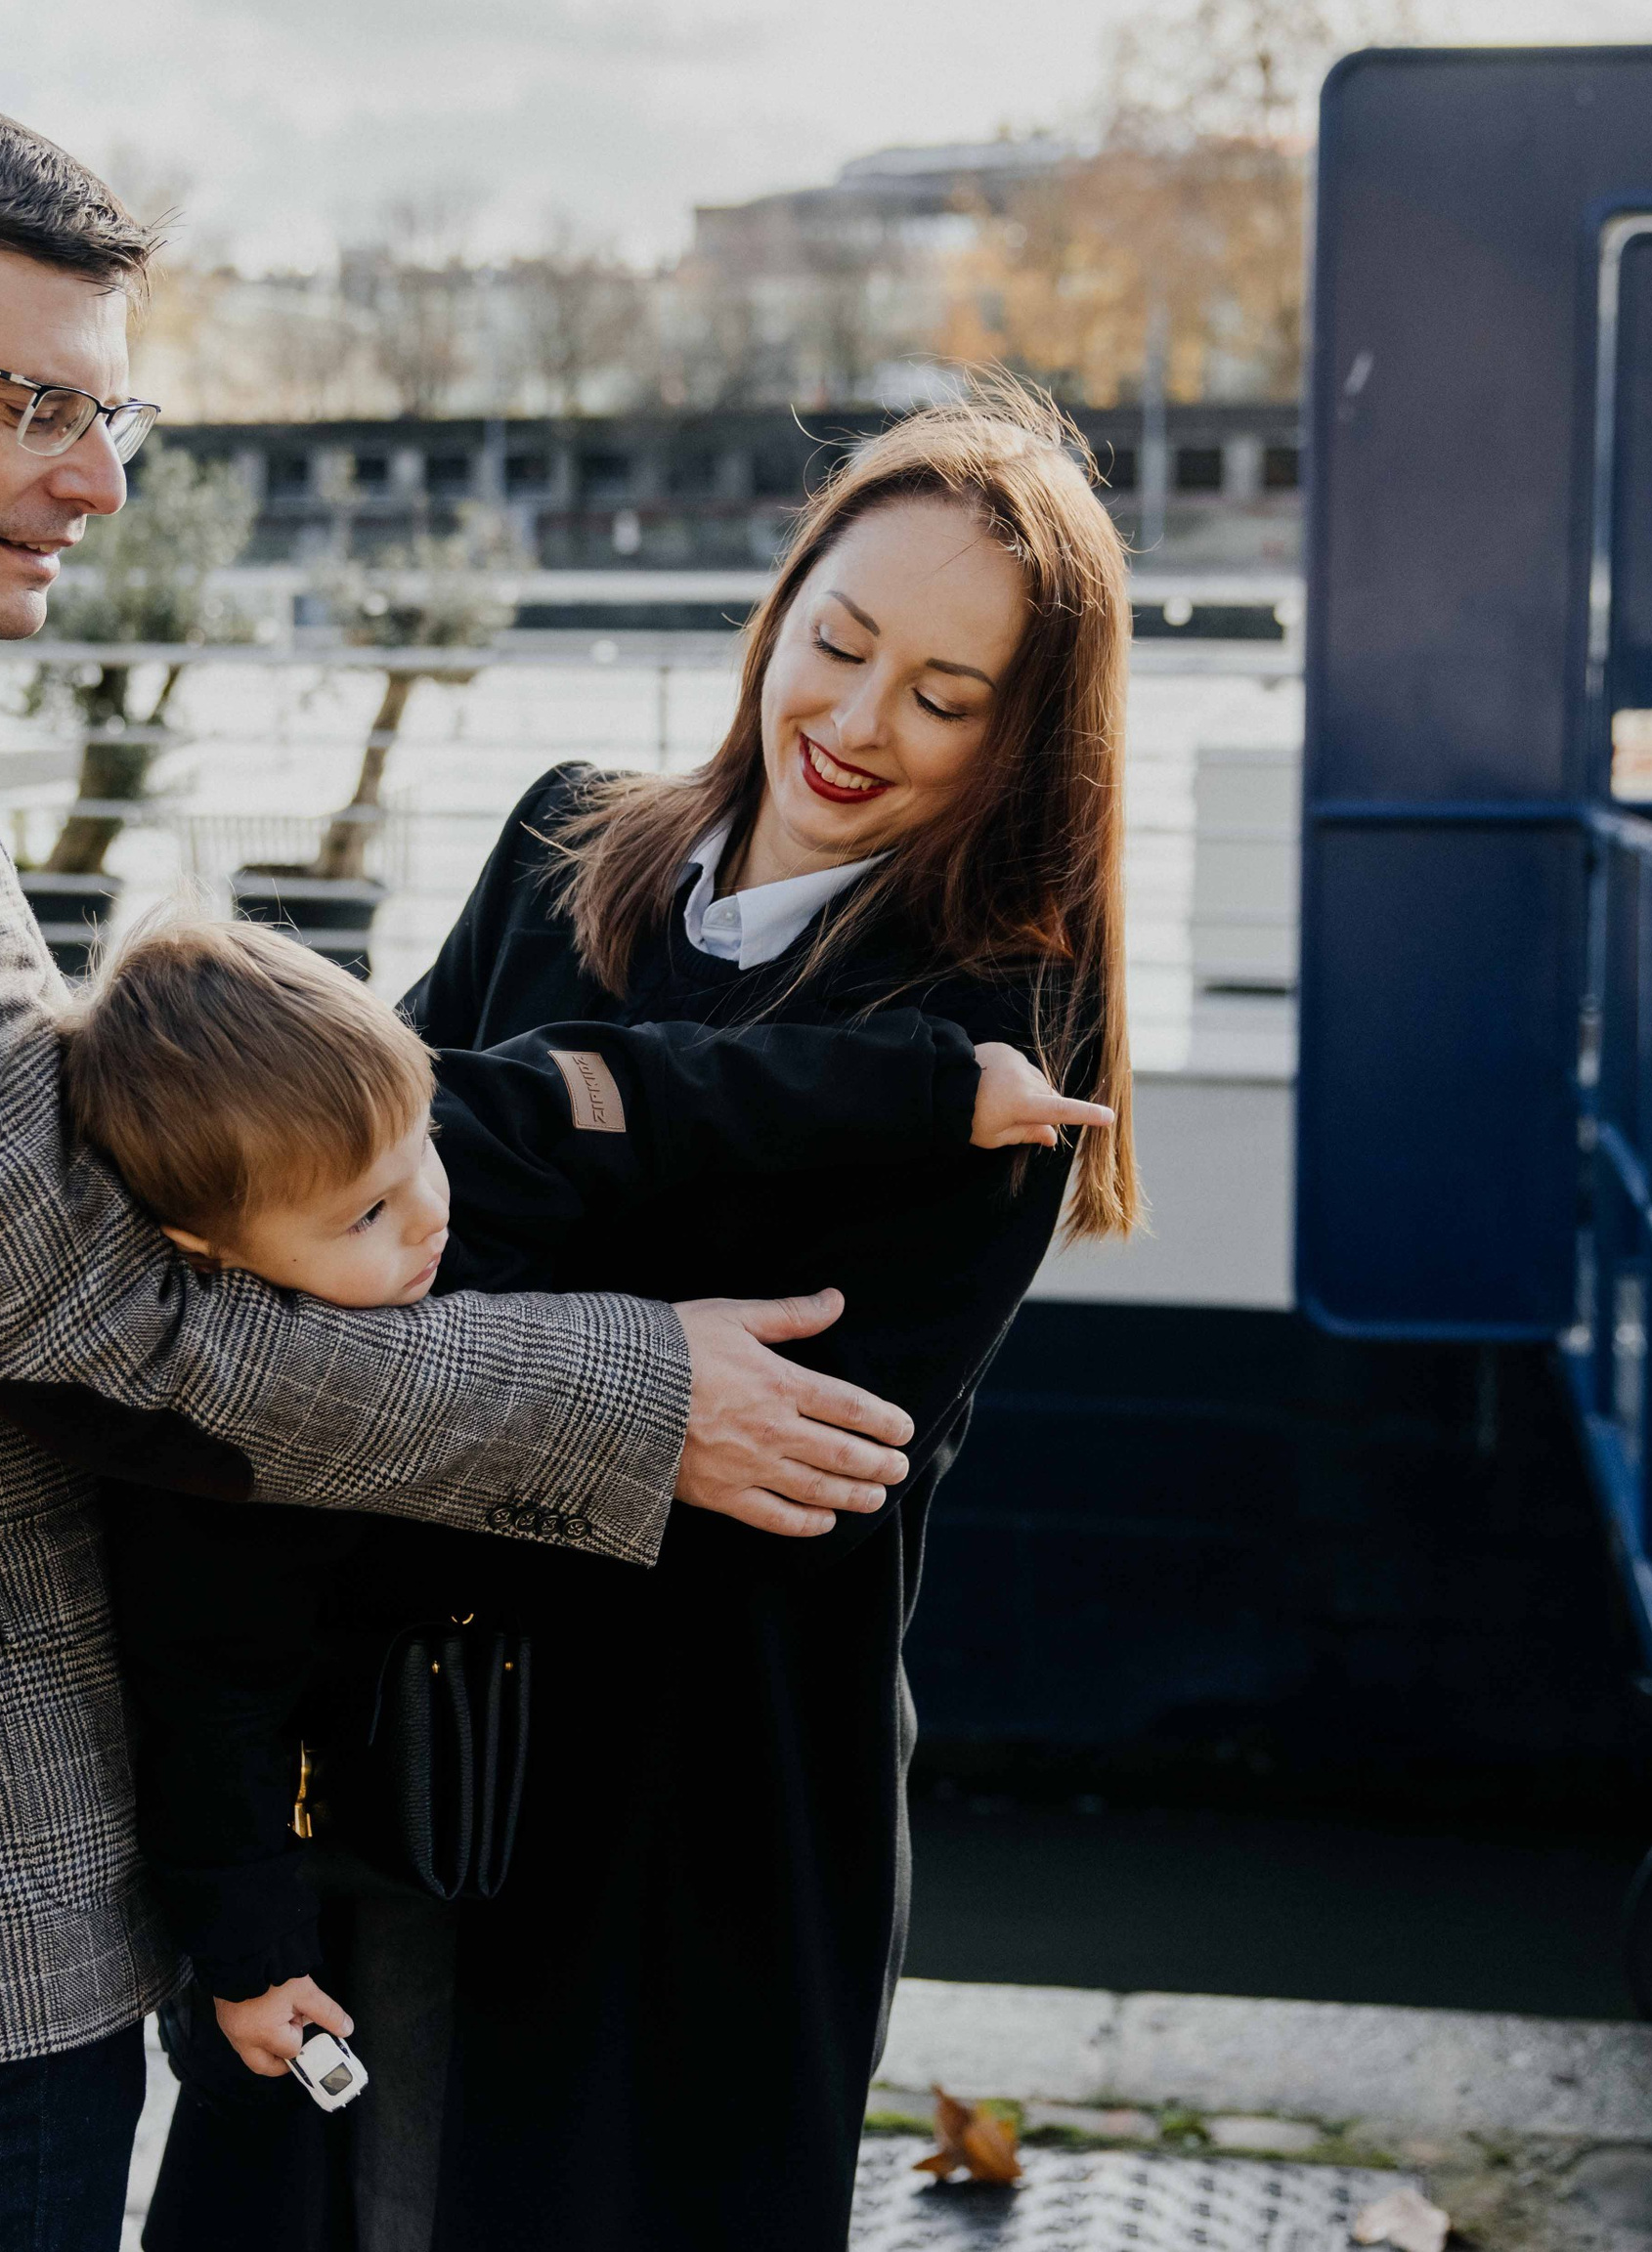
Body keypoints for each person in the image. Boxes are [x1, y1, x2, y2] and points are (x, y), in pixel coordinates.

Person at [0, 91, 917, 2252]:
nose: (99, 475)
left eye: (111, 405)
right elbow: (113, 1331)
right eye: (36, 399)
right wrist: (630, 1393)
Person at [10, 913, 1104, 2244]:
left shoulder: (474, 1122)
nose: (426, 1216)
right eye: (364, 1215)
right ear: (210, 1254)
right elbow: (206, 1722)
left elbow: (668, 1084)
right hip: (381, 1749)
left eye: (413, 1153)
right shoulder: (211, 1475)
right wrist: (250, 1965)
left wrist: (939, 1089)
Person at [401, 383, 1145, 2250]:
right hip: (414, 1719)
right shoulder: (565, 836)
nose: (857, 724)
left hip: (709, 1789)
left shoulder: (1005, 1032)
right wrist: (605, 1298)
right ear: (780, 607)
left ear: (1025, 744)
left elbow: (796, 1441)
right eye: (839, 642)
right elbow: (356, 1176)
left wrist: (470, 1223)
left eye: (946, 700)